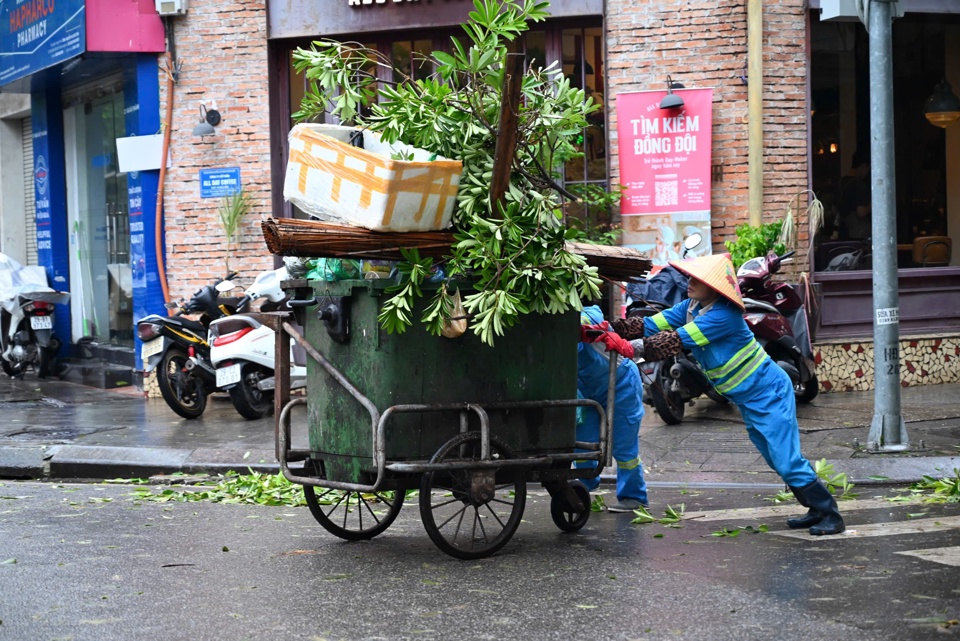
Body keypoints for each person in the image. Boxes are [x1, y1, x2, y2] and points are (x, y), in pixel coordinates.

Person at [607, 254, 845, 536]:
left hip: (769, 394)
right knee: (774, 458)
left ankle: (830, 514)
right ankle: (814, 509)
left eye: (697, 279)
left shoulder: (724, 316)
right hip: (749, 398)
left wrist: (623, 346)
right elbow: (650, 325)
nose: (689, 282)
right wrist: (609, 328)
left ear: (715, 287)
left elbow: (673, 341)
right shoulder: (691, 306)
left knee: (786, 459)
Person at [576, 305, 649, 513]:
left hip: (621, 384)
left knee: (623, 445)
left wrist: (580, 326)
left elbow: (595, 315)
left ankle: (634, 496)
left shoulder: (587, 314)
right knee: (581, 443)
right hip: (586, 392)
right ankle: (583, 485)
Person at [840, 151, 871, 240]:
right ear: (863, 166)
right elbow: (861, 212)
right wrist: (872, 205)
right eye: (868, 168)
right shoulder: (859, 184)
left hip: (843, 233)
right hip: (858, 236)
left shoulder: (841, 182)